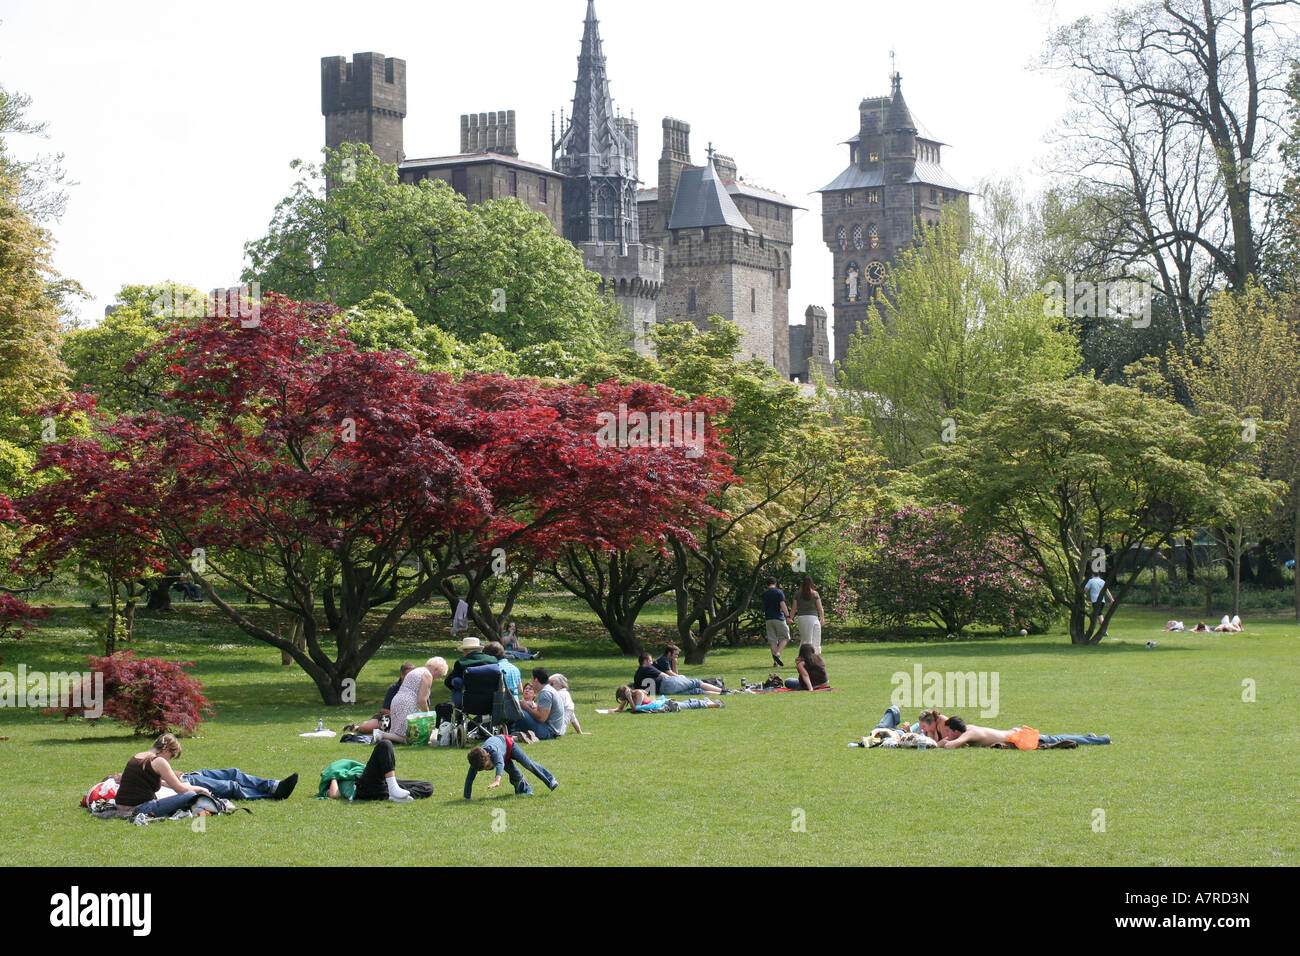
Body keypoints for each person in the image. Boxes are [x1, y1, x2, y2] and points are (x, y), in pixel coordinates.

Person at [115, 733, 214, 822]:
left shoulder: (137, 756)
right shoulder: (159, 761)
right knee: (190, 794)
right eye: (172, 755)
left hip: (120, 805)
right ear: (166, 749)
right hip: (139, 808)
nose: (170, 759)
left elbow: (145, 781)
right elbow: (181, 790)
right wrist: (201, 789)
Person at [318, 740, 432, 802]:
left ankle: (396, 796)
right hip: (363, 788)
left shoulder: (354, 771)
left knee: (427, 786)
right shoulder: (332, 784)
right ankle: (393, 789)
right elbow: (334, 795)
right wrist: (333, 775)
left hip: (380, 787)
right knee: (384, 744)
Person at [464, 734, 559, 798]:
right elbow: (469, 778)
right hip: (504, 756)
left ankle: (550, 780)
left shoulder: (494, 752)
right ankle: (524, 792)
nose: (488, 768)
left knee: (528, 764)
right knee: (516, 774)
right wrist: (467, 797)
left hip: (509, 745)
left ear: (488, 756)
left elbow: (500, 764)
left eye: (488, 765)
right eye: (485, 769)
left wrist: (497, 780)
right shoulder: (476, 760)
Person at [379, 656, 448, 744]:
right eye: (439, 675)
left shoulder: (418, 670)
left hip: (397, 700)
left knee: (397, 733)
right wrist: (428, 715)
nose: (437, 678)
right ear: (436, 669)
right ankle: (381, 734)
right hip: (407, 704)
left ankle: (382, 736)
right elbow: (422, 700)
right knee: (410, 739)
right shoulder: (427, 675)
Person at [344, 662, 415, 735]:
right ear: (402, 675)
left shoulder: (418, 688)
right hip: (390, 718)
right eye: (409, 675)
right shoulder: (394, 689)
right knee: (365, 728)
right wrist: (400, 718)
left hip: (412, 718)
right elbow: (385, 711)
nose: (412, 678)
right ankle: (357, 727)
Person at [640, 648, 723, 696]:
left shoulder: (639, 673)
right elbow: (666, 675)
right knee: (697, 682)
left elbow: (674, 673)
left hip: (663, 691)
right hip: (667, 684)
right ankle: (723, 691)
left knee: (696, 691)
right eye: (675, 654)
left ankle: (722, 693)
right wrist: (678, 677)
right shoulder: (658, 662)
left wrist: (675, 665)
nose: (652, 663)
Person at [516, 667, 567, 740]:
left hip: (549, 731)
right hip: (554, 729)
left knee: (519, 712)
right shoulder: (549, 689)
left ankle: (512, 734)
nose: (532, 682)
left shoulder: (545, 692)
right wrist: (532, 707)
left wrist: (525, 707)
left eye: (532, 679)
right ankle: (519, 735)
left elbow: (541, 718)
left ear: (536, 679)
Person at [613, 685, 723, 713]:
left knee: (688, 704)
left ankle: (713, 704)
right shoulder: (629, 697)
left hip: (664, 704)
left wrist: (629, 698)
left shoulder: (638, 693)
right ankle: (706, 702)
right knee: (687, 703)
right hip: (661, 703)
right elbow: (619, 709)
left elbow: (636, 708)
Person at [762, 578, 793, 666]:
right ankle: (777, 654)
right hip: (778, 618)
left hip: (768, 619)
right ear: (775, 583)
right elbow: (782, 605)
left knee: (773, 641)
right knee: (786, 637)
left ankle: (776, 662)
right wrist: (788, 616)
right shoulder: (778, 592)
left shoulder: (764, 593)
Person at [792, 577, 825, 653]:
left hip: (801, 618)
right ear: (811, 584)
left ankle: (802, 657)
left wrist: (790, 618)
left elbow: (794, 609)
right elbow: (820, 608)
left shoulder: (797, 594)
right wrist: (822, 619)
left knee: (805, 640)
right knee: (816, 639)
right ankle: (815, 657)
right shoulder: (815, 594)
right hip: (813, 618)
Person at [1084, 571, 1114, 637]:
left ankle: (1104, 631)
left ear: (1092, 574)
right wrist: (1111, 599)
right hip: (1102, 601)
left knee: (1099, 615)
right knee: (1095, 616)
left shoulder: (1091, 581)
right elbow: (1107, 591)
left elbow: (1085, 590)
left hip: (1095, 601)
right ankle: (1091, 630)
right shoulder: (1102, 581)